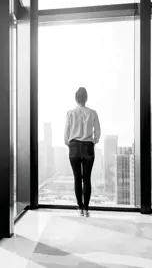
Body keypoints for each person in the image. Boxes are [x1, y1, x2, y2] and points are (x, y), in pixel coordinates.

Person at [64, 87, 101, 217]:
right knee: (87, 178)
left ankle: (79, 207)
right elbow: (98, 131)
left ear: (76, 98)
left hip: (73, 146)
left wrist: (70, 144)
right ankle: (86, 209)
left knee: (77, 178)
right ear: (86, 98)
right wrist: (93, 141)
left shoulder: (70, 113)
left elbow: (66, 134)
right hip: (88, 146)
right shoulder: (93, 113)